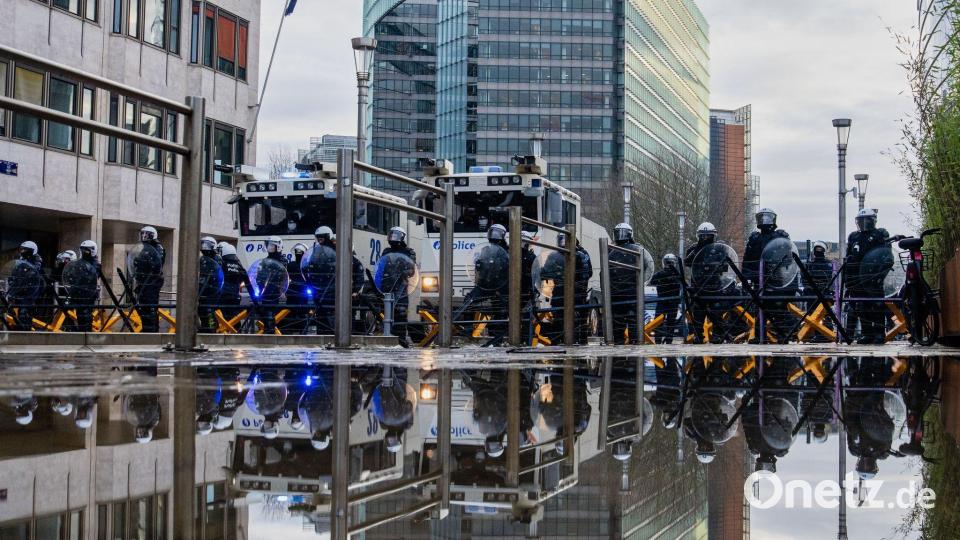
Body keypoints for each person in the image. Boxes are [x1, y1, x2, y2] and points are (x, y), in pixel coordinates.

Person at [743, 209, 796, 343]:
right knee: (760, 306)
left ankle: (782, 335)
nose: (764, 220)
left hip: (776, 278)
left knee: (779, 307)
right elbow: (748, 259)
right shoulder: (755, 239)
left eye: (767, 217)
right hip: (758, 278)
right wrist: (746, 275)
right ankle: (760, 335)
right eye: (762, 217)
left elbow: (788, 259)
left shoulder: (780, 237)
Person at [845, 208, 891, 344]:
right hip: (857, 278)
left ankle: (879, 333)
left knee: (877, 306)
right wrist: (848, 280)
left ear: (873, 221)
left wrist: (880, 274)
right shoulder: (854, 237)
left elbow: (887, 256)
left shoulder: (879, 235)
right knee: (861, 306)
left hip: (873, 278)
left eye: (866, 220)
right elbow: (849, 258)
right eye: (860, 220)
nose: (863, 223)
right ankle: (867, 334)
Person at [380, 227, 419, 346]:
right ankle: (388, 337)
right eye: (391, 235)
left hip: (401, 286)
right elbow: (381, 266)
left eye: (395, 235)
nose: (393, 238)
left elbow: (412, 269)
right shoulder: (386, 251)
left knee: (400, 313)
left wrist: (404, 272)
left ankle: (401, 340)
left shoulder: (409, 252)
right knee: (385, 312)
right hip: (387, 285)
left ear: (402, 237)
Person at [608, 223, 643, 344]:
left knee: (619, 320)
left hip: (619, 291)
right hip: (628, 291)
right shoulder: (636, 249)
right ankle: (633, 341)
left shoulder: (612, 250)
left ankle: (621, 341)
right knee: (630, 319)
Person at [132, 226, 165, 332]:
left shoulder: (158, 248)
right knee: (143, 306)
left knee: (150, 306)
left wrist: (142, 261)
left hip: (152, 282)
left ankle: (152, 329)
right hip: (143, 281)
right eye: (143, 234)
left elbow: (156, 263)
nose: (144, 236)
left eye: (147, 234)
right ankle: (147, 327)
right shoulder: (145, 248)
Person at [66, 241, 101, 332]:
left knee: (86, 317)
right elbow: (72, 275)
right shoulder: (79, 263)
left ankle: (86, 335)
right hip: (77, 293)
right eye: (82, 250)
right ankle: (78, 333)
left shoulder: (95, 264)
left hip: (88, 294)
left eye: (86, 250)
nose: (84, 252)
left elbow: (90, 276)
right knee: (78, 315)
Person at [650, 254, 682, 343]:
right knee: (667, 323)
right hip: (668, 302)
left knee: (661, 323)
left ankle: (661, 340)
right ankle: (666, 341)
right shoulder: (677, 275)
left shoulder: (663, 274)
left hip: (665, 302)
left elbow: (652, 281)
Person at [198, 236, 222, 333]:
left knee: (209, 310)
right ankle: (205, 327)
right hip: (203, 287)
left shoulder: (217, 257)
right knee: (201, 310)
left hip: (212, 288)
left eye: (207, 244)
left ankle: (211, 329)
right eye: (203, 244)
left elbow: (216, 272)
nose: (204, 246)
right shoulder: (202, 259)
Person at [286, 243, 311, 334]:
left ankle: (297, 332)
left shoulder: (292, 265)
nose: (298, 254)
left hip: (295, 293)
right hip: (297, 293)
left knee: (297, 314)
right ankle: (301, 332)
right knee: (299, 314)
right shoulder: (305, 265)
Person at [217, 242, 245, 322]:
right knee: (234, 317)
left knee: (222, 317)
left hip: (223, 295)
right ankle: (236, 331)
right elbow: (242, 278)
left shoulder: (221, 263)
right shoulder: (238, 264)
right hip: (235, 295)